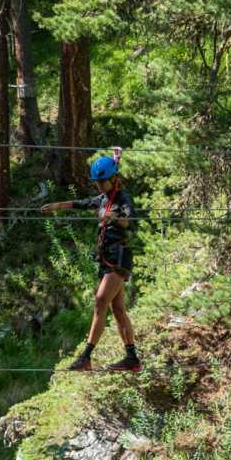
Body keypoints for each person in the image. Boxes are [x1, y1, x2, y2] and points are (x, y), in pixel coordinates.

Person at [41, 155, 141, 372]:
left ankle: (86, 356)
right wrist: (57, 205)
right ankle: (132, 358)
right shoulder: (103, 198)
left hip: (119, 259)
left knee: (100, 302)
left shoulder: (123, 198)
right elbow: (81, 203)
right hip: (107, 262)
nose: (99, 185)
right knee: (118, 310)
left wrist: (112, 217)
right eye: (97, 183)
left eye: (102, 182)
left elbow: (129, 220)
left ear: (114, 179)